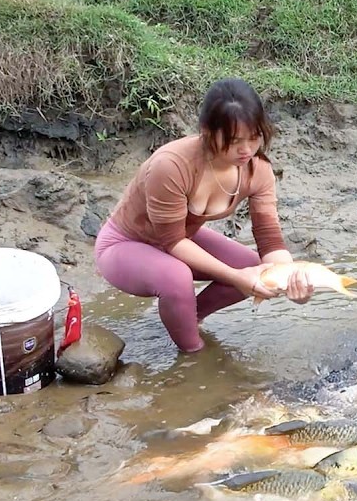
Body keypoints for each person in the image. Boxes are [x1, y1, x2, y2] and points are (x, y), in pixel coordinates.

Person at [93, 78, 313, 352]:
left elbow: (269, 240)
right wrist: (236, 276)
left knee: (253, 265)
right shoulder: (172, 165)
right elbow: (172, 241)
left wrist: (291, 280)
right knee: (178, 277)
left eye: (254, 138)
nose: (246, 150)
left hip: (179, 240)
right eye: (234, 141)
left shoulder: (257, 170)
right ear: (208, 132)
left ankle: (187, 318)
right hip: (124, 245)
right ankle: (193, 356)